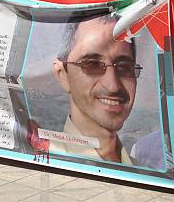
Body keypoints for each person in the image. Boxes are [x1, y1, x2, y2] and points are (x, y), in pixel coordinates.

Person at [51, 14, 140, 164]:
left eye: (124, 67)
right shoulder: (50, 162)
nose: (113, 85)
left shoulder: (141, 170)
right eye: (92, 64)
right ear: (63, 74)